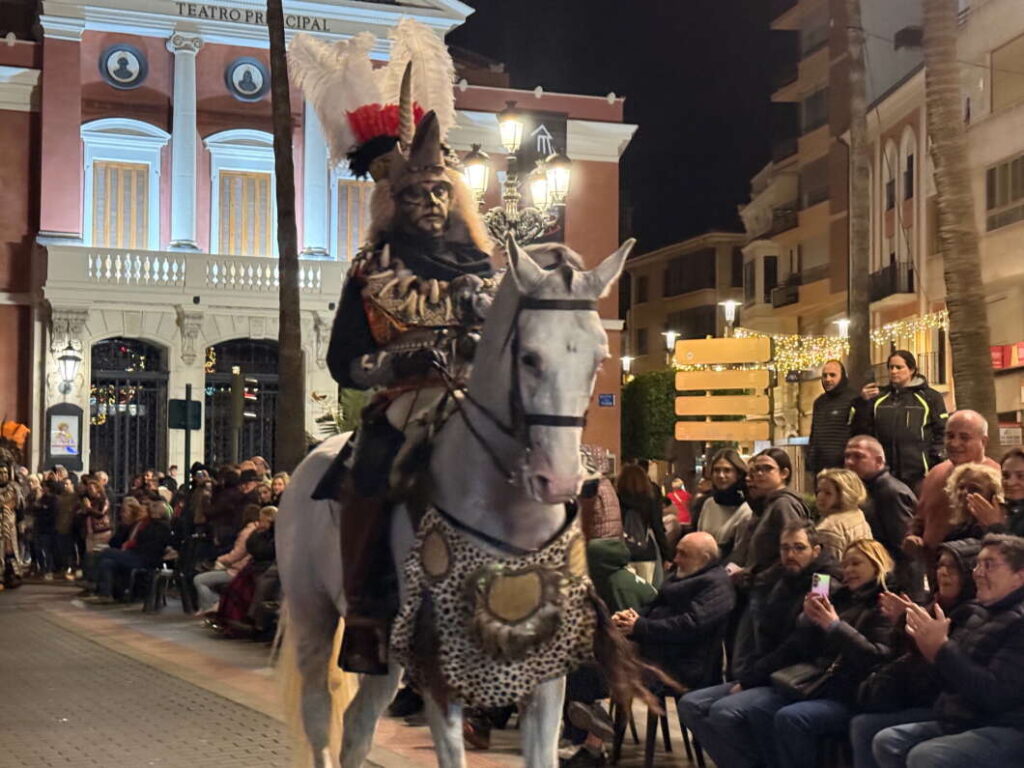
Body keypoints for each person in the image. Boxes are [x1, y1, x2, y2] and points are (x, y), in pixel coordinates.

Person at [306, 86, 497, 672]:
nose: (431, 202)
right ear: (394, 201)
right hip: (405, 398)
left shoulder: (488, 269)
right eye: (417, 194)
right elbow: (345, 362)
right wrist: (394, 364)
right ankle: (365, 606)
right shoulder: (370, 273)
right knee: (369, 471)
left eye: (442, 191)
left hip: (478, 397)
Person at [686, 539, 895, 768]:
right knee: (714, 706)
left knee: (778, 716)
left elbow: (875, 657)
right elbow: (797, 645)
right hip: (807, 678)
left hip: (848, 690)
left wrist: (834, 626)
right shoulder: (833, 595)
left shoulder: (885, 604)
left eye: (856, 563)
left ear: (877, 564)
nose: (849, 571)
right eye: (845, 565)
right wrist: (807, 620)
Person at [677, 522, 842, 759]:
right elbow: (764, 634)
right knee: (691, 704)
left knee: (725, 711)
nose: (790, 555)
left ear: (816, 551)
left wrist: (751, 678)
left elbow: (800, 643)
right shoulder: (779, 577)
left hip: (799, 675)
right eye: (785, 548)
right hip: (769, 670)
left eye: (799, 548)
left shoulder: (822, 584)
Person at [872, 534, 1024, 768]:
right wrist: (923, 647)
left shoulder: (1019, 621)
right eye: (977, 564)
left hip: (1006, 725)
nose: (977, 573)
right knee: (887, 741)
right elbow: (946, 678)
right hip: (965, 717)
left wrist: (941, 649)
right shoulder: (979, 613)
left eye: (989, 565)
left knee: (927, 756)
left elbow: (996, 694)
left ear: (1019, 576)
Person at [849, 538, 981, 768]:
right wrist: (902, 625)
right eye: (940, 566)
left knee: (876, 732)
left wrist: (834, 626)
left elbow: (942, 673)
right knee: (861, 723)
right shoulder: (929, 604)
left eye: (953, 567)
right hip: (912, 694)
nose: (944, 573)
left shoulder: (972, 613)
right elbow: (898, 657)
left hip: (943, 704)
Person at [613, 531, 736, 691]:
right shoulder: (682, 575)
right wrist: (630, 620)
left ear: (704, 559)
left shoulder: (718, 585)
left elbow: (690, 624)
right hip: (657, 648)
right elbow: (654, 604)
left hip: (684, 663)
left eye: (683, 554)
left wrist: (641, 626)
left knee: (608, 664)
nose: (676, 559)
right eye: (676, 552)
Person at [728, 447, 810, 675]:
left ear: (784, 473)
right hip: (760, 589)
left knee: (751, 657)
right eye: (755, 470)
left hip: (771, 590)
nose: (759, 474)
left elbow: (795, 551)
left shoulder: (784, 505)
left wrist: (757, 576)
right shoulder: (766, 504)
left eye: (767, 469)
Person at [904, 410, 999, 577]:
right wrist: (913, 536)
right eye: (950, 435)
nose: (954, 443)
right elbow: (921, 517)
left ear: (984, 441)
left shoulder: (996, 478)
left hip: (975, 578)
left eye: (964, 437)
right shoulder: (936, 473)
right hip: (935, 575)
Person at [853, 350, 948, 490]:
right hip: (885, 473)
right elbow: (864, 431)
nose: (894, 371)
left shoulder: (930, 397)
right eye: (891, 367)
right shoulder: (879, 398)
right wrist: (863, 403)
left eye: (899, 367)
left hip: (919, 475)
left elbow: (942, 432)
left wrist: (932, 462)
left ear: (912, 370)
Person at [844, 435, 919, 594]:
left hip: (887, 586)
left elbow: (904, 549)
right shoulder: (860, 493)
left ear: (878, 461)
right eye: (847, 456)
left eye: (858, 456)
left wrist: (901, 591)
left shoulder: (891, 492)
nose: (849, 462)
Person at [87, 500, 171, 604]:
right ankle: (106, 594)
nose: (152, 510)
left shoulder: (163, 527)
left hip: (145, 558)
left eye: (155, 508)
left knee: (106, 553)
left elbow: (150, 544)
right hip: (136, 554)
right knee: (107, 563)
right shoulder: (147, 524)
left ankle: (92, 582)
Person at [616, 463, 672, 582]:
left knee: (627, 593)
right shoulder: (649, 500)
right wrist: (666, 555)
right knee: (646, 593)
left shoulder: (617, 499)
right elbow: (658, 527)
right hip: (646, 551)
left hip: (623, 552)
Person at [193, 512, 258, 615]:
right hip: (240, 569)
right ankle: (209, 607)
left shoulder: (247, 533)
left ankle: (216, 605)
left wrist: (220, 559)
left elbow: (237, 554)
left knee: (199, 580)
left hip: (236, 570)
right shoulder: (255, 531)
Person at [695, 448, 753, 560]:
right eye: (717, 470)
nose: (721, 475)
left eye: (727, 470)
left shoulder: (747, 508)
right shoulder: (708, 503)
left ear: (738, 474)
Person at [808, 360, 857, 475]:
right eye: (825, 376)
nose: (828, 379)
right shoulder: (819, 403)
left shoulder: (854, 400)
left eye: (832, 375)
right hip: (821, 469)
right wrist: (811, 459)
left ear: (842, 376)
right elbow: (814, 434)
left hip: (844, 469)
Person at [814, 468, 874, 562]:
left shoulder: (829, 529)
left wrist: (812, 577)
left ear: (844, 495)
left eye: (828, 493)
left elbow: (826, 572)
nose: (820, 497)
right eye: (819, 491)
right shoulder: (856, 514)